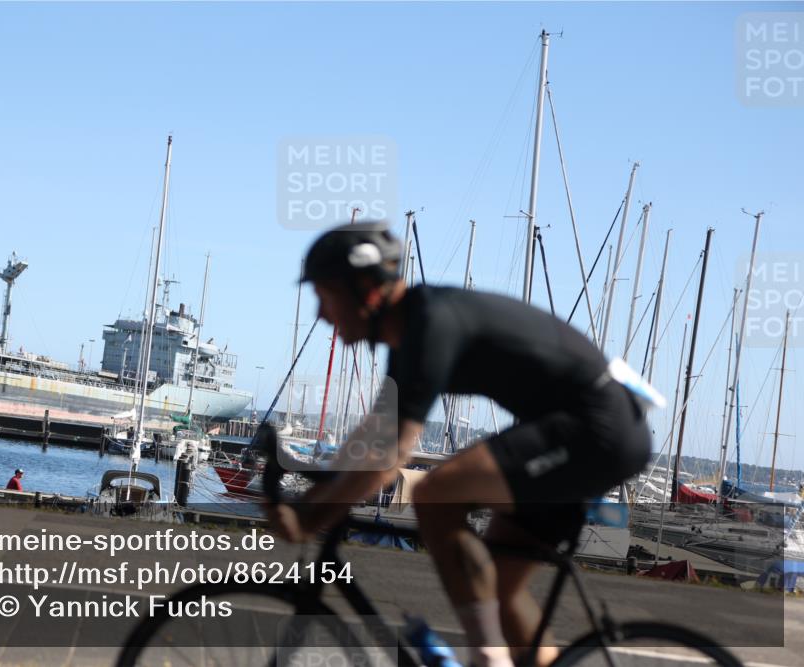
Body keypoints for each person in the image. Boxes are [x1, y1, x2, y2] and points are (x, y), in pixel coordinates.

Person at [267, 222, 652, 667]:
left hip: (597, 429)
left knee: (434, 495)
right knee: (498, 593)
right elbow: (375, 434)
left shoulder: (430, 323)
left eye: (326, 295)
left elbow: (387, 459)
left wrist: (314, 512)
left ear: (366, 290)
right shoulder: (412, 331)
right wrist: (317, 486)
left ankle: (486, 660)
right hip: (589, 428)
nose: (320, 313)